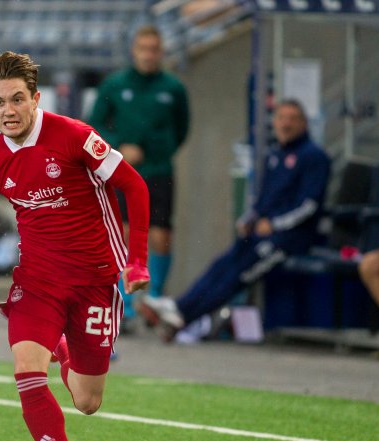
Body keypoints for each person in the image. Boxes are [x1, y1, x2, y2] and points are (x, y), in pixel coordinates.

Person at [0, 51, 150, 441]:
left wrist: (137, 261)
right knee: (26, 373)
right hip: (37, 282)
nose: (8, 110)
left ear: (35, 98)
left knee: (87, 401)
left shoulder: (75, 137)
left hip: (95, 280)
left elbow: (135, 187)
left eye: (17, 99)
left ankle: (64, 349)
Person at [139, 99, 331, 340]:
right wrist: (249, 219)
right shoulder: (275, 155)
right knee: (223, 264)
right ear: (274, 122)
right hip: (263, 233)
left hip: (291, 238)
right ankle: (178, 307)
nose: (287, 124)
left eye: (293, 119)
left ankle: (184, 318)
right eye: (282, 118)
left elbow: (309, 206)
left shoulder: (314, 157)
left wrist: (274, 224)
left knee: (238, 275)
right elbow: (262, 199)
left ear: (303, 123)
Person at [88, 24, 189, 331]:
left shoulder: (173, 88)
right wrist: (119, 147)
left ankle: (153, 297)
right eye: (143, 49)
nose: (148, 55)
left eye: (154, 49)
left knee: (160, 235)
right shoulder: (115, 85)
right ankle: (126, 305)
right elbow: (94, 125)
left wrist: (155, 150)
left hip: (158, 172)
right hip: (121, 172)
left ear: (161, 52)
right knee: (125, 233)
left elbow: (181, 129)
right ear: (134, 51)